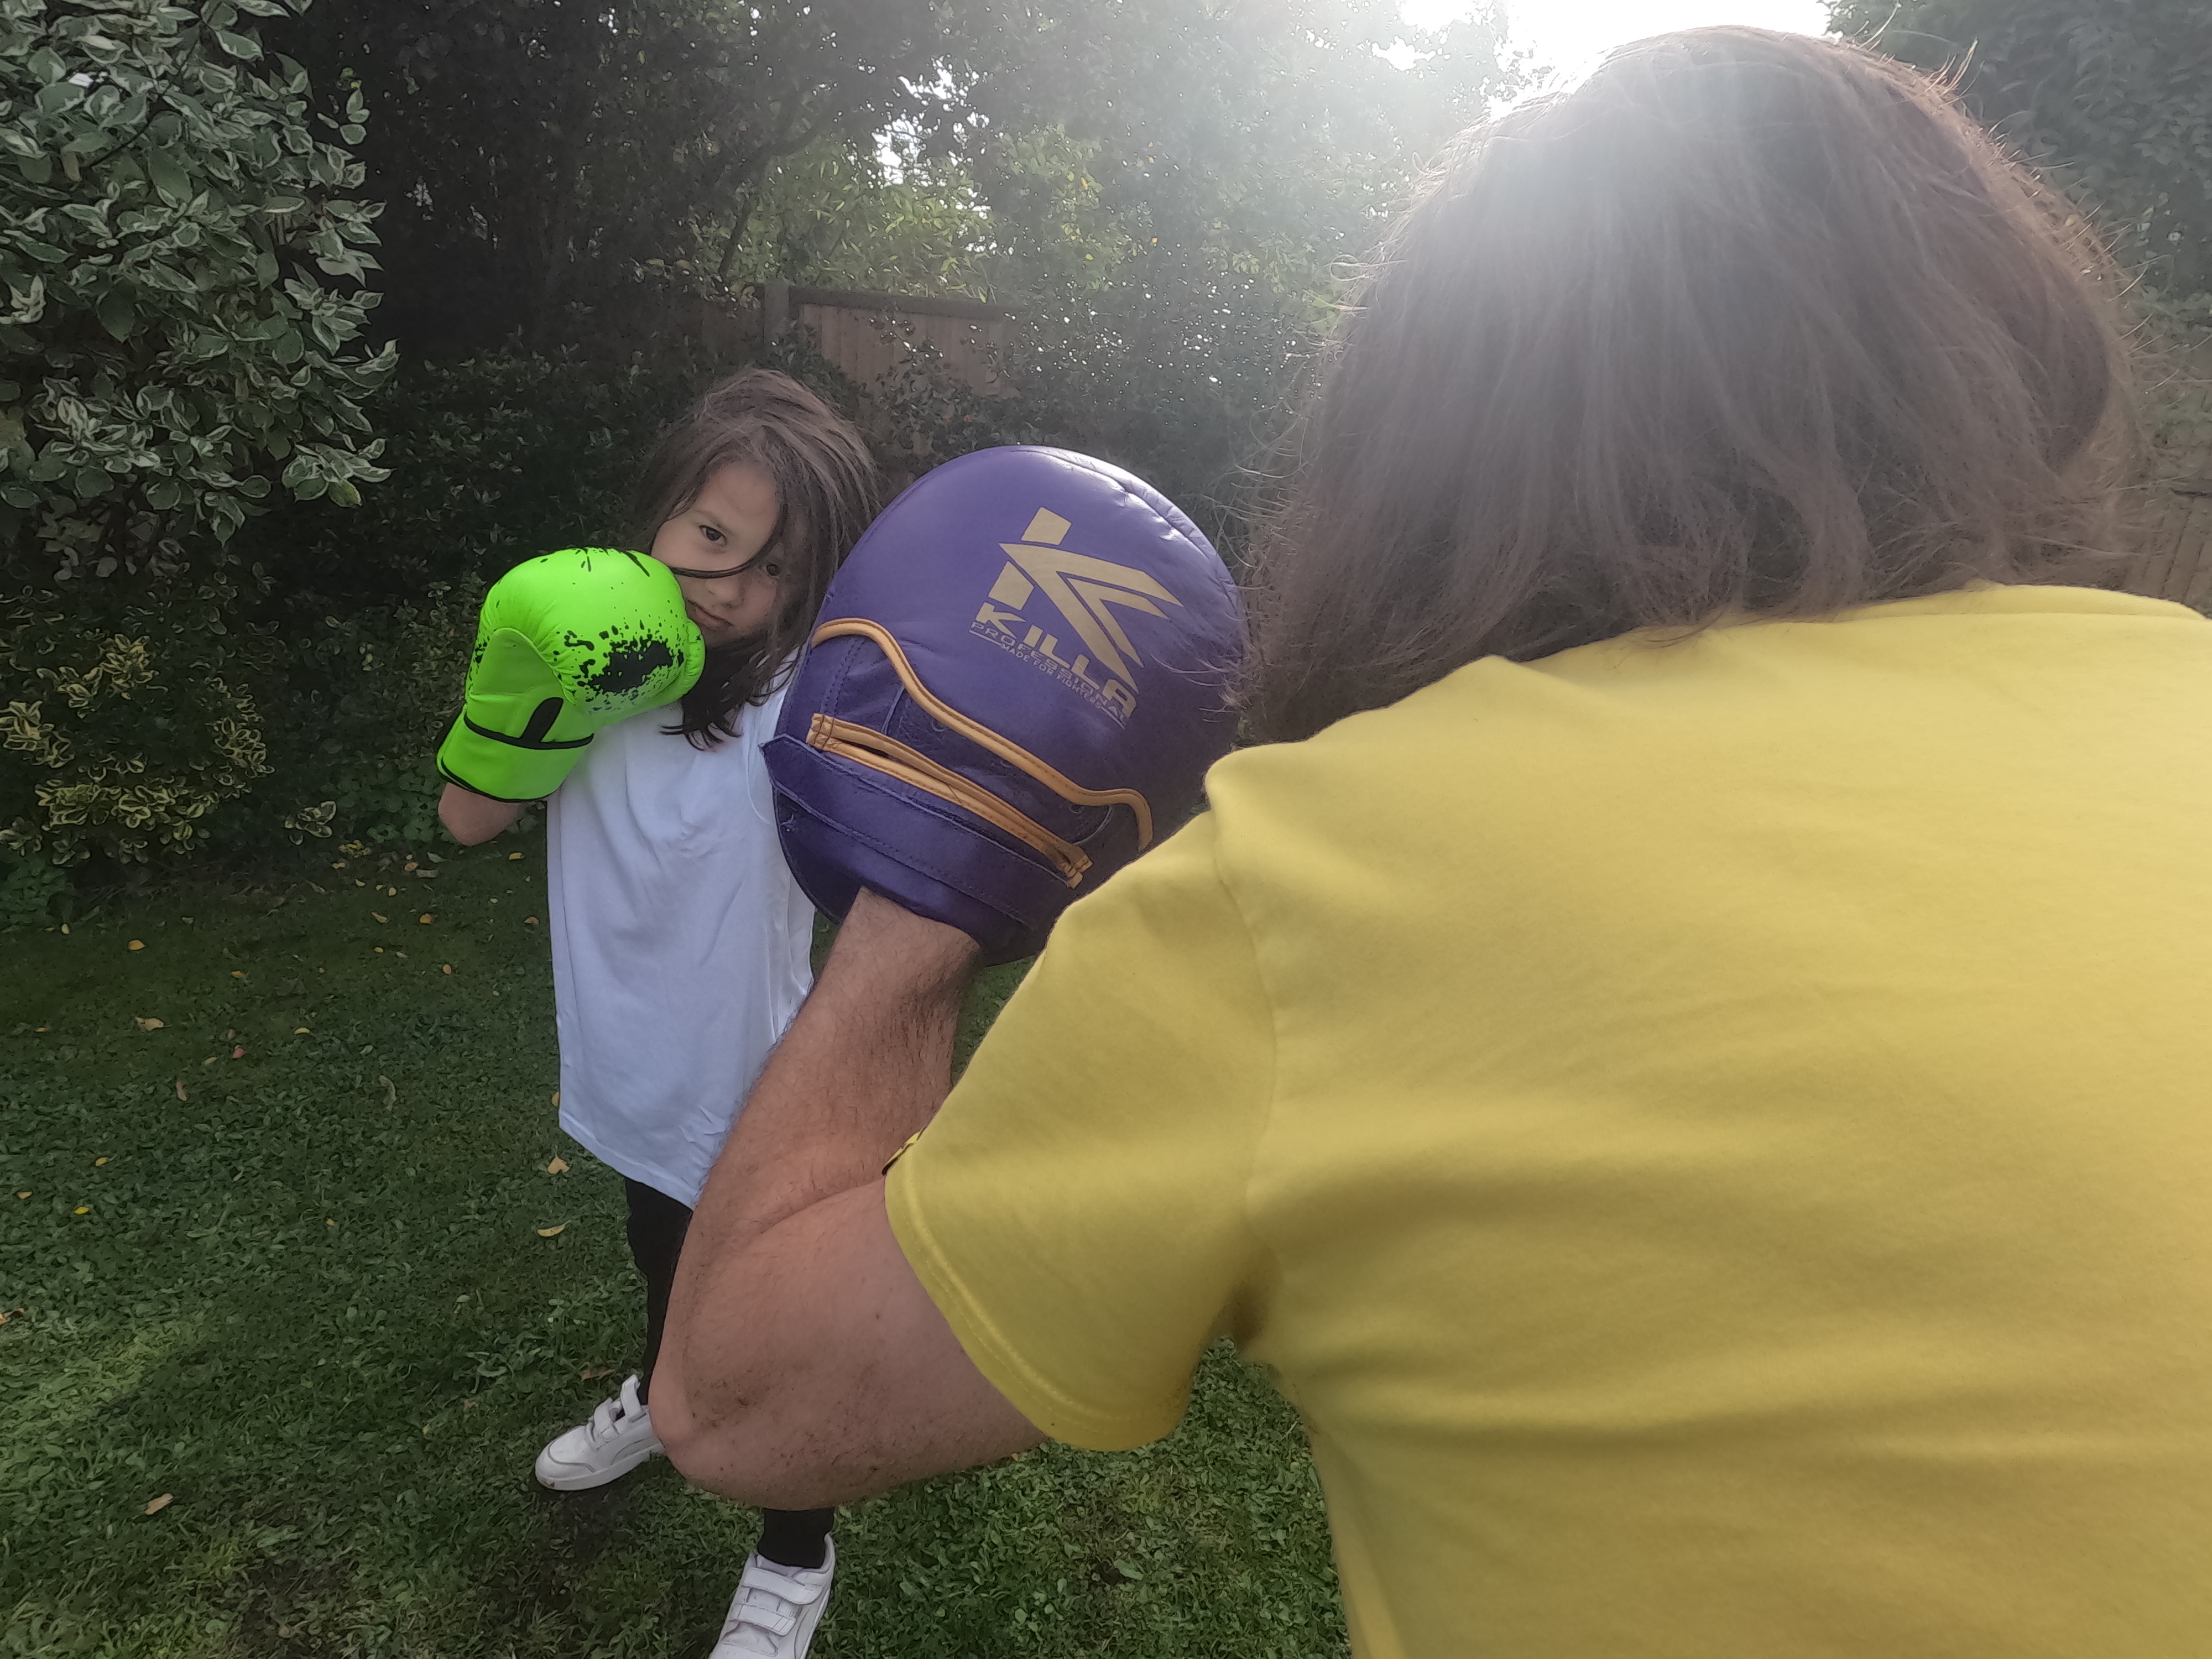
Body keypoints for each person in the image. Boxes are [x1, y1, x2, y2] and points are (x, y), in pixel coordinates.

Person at [650, 29, 2212, 1659]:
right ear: (2007, 357)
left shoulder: (1323, 885)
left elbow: (741, 1396)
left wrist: (928, 885)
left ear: (1428, 436)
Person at [439, 368, 879, 1659]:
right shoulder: (595, 665)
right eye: (710, 538)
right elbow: (467, 819)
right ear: (657, 516)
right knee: (658, 1253)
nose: (732, 587)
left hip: (759, 1077)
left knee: (769, 1330)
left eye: (775, 568)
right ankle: (657, 1392)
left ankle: (796, 1548)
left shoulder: (807, 694)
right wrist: (530, 688)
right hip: (630, 1059)